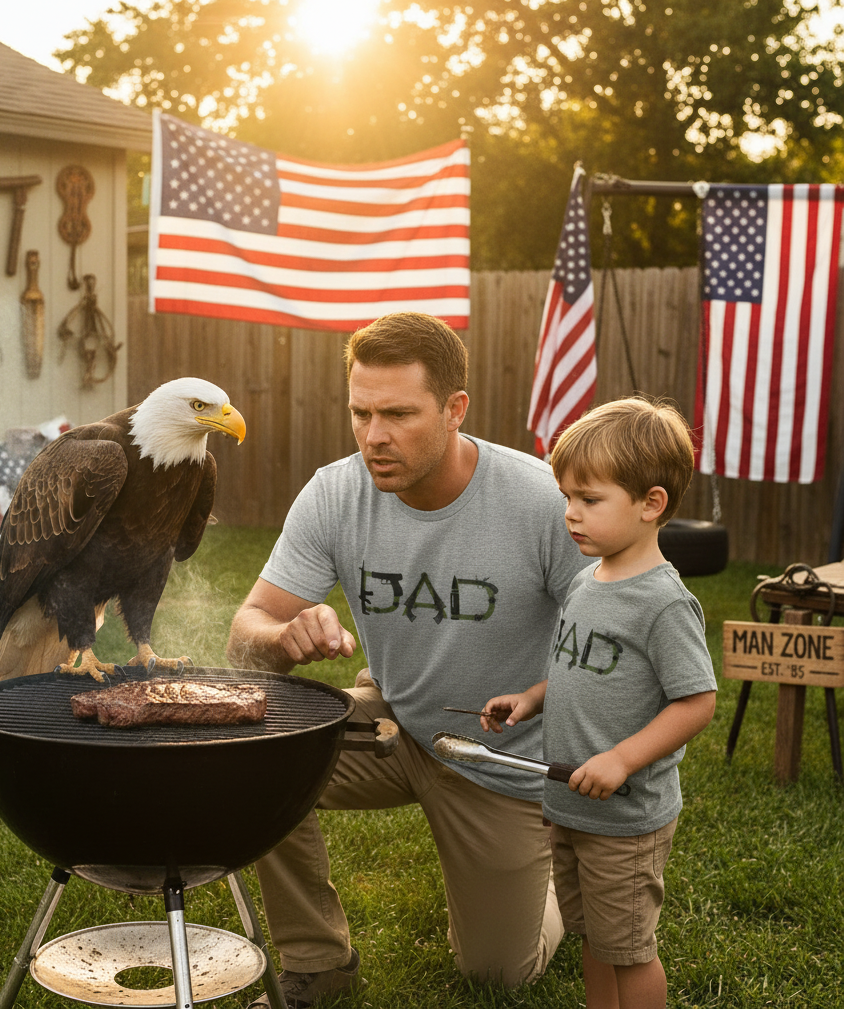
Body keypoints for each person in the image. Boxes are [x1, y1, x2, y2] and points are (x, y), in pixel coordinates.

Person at [225, 311, 589, 1008]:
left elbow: (610, 652)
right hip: (392, 722)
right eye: (360, 412)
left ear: (456, 410)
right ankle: (318, 967)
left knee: (496, 974)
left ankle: (553, 876)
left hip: (499, 753)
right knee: (252, 751)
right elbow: (246, 633)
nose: (374, 436)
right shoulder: (336, 492)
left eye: (397, 413)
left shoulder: (540, 500)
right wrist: (282, 638)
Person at [480, 397, 717, 1009]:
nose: (570, 515)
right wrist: (532, 698)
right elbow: (582, 668)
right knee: (592, 937)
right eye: (566, 498)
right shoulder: (588, 580)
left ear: (651, 503)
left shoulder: (663, 604)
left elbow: (696, 703)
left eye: (589, 500)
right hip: (568, 804)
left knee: (629, 950)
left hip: (624, 819)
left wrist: (622, 759)